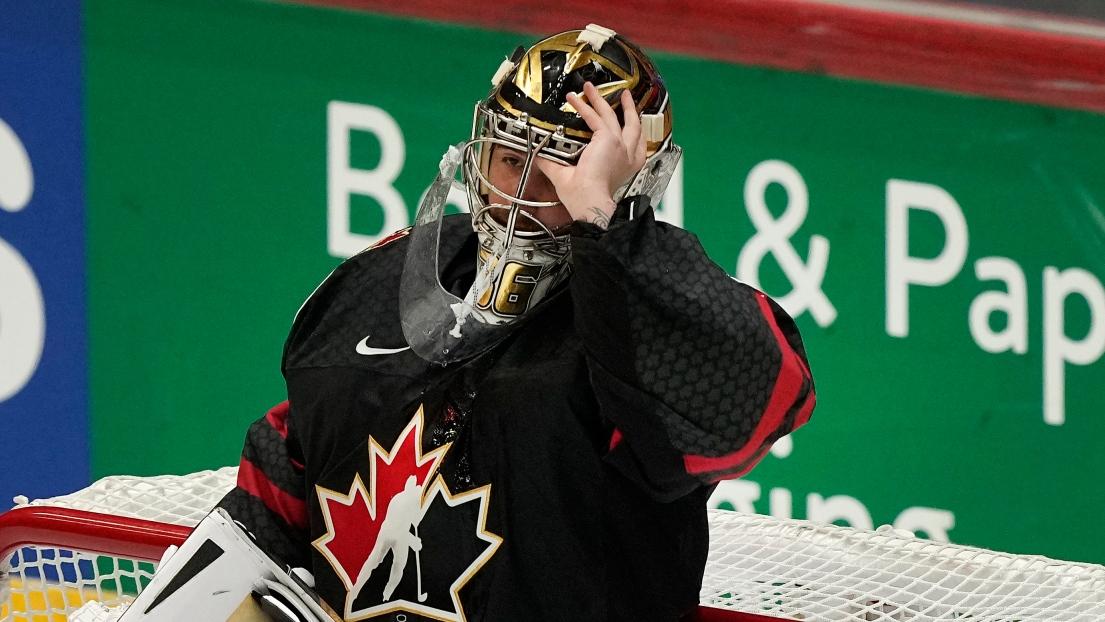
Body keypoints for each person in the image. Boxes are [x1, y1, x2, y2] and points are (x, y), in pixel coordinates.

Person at [219, 24, 815, 622]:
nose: (523, 195)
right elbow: (293, 447)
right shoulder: (384, 277)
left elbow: (758, 403)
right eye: (511, 160)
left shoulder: (646, 314)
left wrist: (607, 228)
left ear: (634, 179)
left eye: (562, 170)